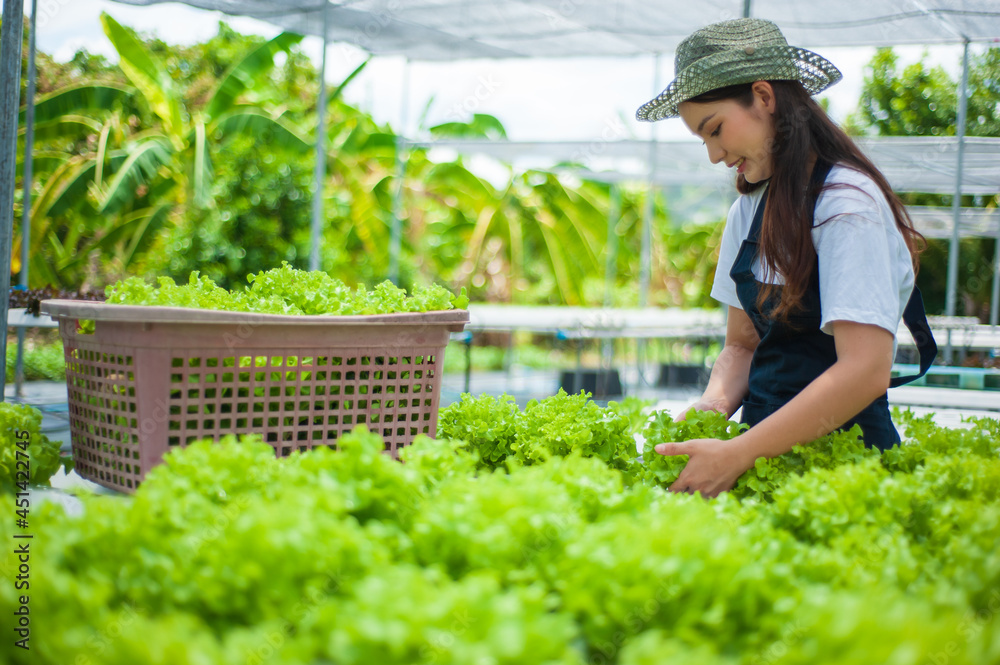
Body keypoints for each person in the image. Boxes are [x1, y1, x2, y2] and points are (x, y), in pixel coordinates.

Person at [634, 18, 937, 498]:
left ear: (764, 97)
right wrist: (709, 414)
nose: (714, 155)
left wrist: (739, 452)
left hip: (848, 468)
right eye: (703, 140)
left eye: (715, 130)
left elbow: (864, 370)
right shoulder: (748, 210)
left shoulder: (846, 203)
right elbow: (742, 346)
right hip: (761, 461)